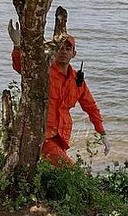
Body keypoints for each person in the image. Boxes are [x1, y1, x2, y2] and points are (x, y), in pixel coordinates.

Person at [8, 20, 110, 167]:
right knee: (71, 171)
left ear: (74, 53)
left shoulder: (77, 80)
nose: (63, 51)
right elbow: (22, 68)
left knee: (54, 175)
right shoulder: (43, 70)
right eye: (60, 48)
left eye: (68, 48)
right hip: (42, 135)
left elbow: (91, 107)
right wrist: (17, 46)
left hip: (62, 137)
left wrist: (103, 134)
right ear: (54, 51)